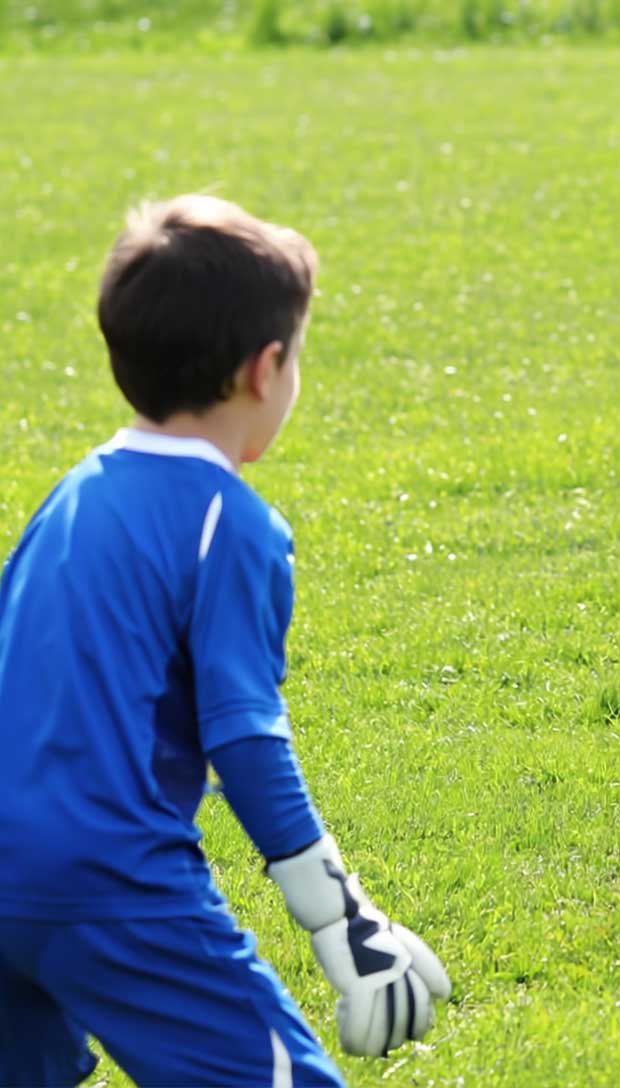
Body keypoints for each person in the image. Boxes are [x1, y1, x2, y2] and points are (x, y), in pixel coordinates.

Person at [0, 195, 450, 1086]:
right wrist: (340, 919)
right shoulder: (232, 525)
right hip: (109, 880)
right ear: (266, 368)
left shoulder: (73, 495)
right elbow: (244, 737)